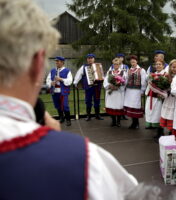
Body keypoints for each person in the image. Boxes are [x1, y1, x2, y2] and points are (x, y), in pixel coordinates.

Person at [0, 1, 137, 199]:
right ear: (39, 62)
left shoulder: (103, 68)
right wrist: (53, 143)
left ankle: (81, 116)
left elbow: (75, 79)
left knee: (75, 104)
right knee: (71, 104)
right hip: (73, 99)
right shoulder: (85, 159)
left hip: (79, 89)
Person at [73, 53, 104, 121]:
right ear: (87, 59)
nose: (90, 60)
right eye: (88, 58)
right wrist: (75, 83)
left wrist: (102, 80)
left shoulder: (98, 66)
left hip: (97, 86)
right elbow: (78, 75)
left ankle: (97, 115)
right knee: (88, 101)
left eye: (91, 58)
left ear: (94, 59)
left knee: (97, 100)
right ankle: (88, 115)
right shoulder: (84, 67)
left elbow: (102, 75)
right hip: (88, 87)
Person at [46, 56, 73, 126]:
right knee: (57, 105)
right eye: (56, 61)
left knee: (65, 105)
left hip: (63, 91)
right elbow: (48, 80)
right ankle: (61, 118)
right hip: (54, 91)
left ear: (62, 62)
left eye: (58, 61)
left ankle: (68, 120)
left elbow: (70, 81)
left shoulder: (67, 71)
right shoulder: (52, 70)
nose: (56, 62)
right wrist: (50, 83)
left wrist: (61, 79)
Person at [145, 60, 167, 138]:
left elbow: (166, 86)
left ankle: (160, 132)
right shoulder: (152, 74)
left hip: (159, 97)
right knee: (152, 113)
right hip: (151, 96)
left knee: (159, 114)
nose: (158, 66)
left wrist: (161, 92)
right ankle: (156, 131)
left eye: (159, 64)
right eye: (156, 64)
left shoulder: (165, 74)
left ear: (163, 65)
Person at [124, 55, 147, 129]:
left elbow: (143, 81)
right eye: (131, 61)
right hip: (129, 91)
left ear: (137, 61)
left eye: (134, 61)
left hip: (137, 91)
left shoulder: (141, 70)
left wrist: (142, 91)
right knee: (130, 107)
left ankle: (136, 123)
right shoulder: (129, 70)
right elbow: (126, 80)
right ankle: (133, 123)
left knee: (135, 106)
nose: (132, 62)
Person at [160, 59, 176, 134]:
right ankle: (163, 132)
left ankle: (172, 133)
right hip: (168, 99)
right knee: (167, 114)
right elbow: (163, 87)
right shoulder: (166, 75)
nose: (175, 69)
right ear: (170, 67)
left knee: (174, 116)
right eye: (173, 67)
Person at [104, 58, 127, 127]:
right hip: (111, 92)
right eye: (114, 64)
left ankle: (118, 121)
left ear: (120, 64)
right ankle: (113, 121)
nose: (115, 65)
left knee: (118, 106)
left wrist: (118, 86)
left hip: (119, 92)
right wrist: (109, 86)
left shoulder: (123, 72)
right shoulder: (109, 72)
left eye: (117, 64)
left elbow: (125, 81)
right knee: (112, 106)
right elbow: (105, 81)